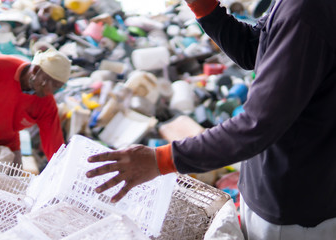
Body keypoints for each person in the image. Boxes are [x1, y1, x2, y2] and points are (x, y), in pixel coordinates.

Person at [86, 0, 336, 239]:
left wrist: (159, 160)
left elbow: (257, 125)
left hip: (294, 205)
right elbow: (255, 48)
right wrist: (203, 6)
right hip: (278, 183)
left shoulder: (307, 10)